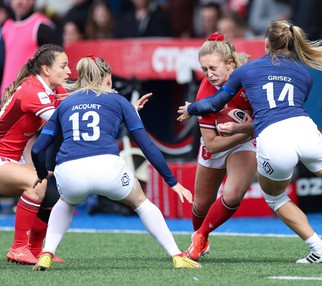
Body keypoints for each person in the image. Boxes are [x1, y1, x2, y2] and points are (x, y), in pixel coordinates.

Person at [178, 20, 322, 262]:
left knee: (276, 198)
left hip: (273, 138)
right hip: (305, 130)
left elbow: (213, 104)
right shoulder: (304, 74)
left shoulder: (246, 70)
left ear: (265, 43)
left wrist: (192, 109)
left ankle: (320, 249)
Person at [30, 55, 201, 271]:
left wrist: (41, 173)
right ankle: (176, 255)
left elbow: (37, 148)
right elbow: (147, 146)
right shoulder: (119, 100)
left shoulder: (65, 104)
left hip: (69, 170)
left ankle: (47, 253)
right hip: (107, 168)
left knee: (65, 202)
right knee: (141, 202)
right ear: (108, 78)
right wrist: (172, 181)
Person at [182, 32, 257, 262]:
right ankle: (199, 236)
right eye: (204, 70)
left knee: (232, 195)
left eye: (213, 68)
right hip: (220, 141)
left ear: (230, 64)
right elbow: (213, 145)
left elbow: (267, 120)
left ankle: (201, 236)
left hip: (244, 141)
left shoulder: (251, 80)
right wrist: (243, 130)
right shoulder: (205, 91)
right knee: (200, 203)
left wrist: (244, 131)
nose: (208, 75)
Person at [0, 44, 70, 265]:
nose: (69, 71)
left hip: (11, 160)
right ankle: (18, 248)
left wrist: (124, 107)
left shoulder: (52, 90)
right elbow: (65, 122)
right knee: (36, 184)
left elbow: (77, 106)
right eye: (64, 66)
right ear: (46, 70)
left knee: (54, 196)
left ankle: (34, 249)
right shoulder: (33, 91)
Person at [0, 0, 59, 97]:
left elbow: (53, 66)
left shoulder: (42, 26)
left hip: (30, 96)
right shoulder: (6, 27)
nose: (19, 2)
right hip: (6, 95)